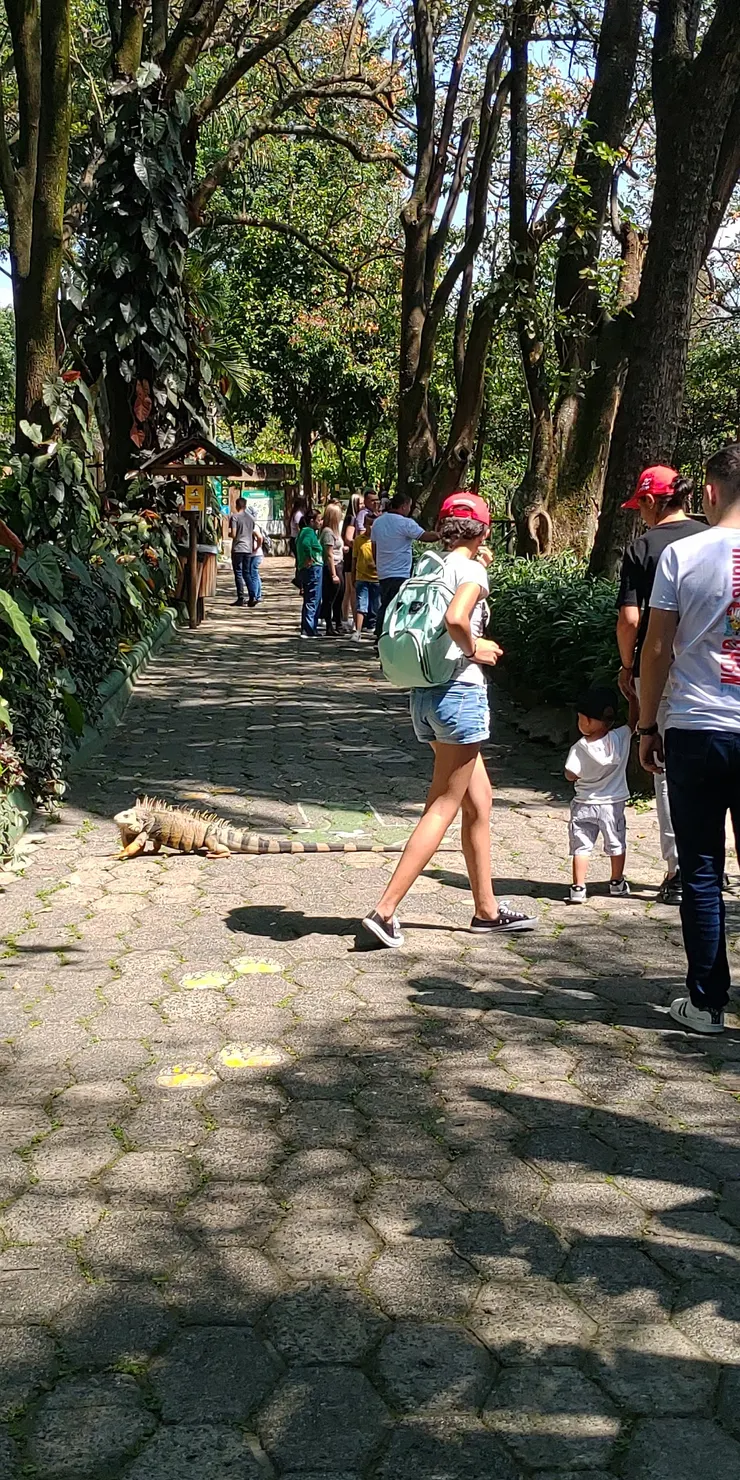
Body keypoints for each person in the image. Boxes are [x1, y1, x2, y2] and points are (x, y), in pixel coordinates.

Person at [362, 491, 538, 948]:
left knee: (479, 801)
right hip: (458, 694)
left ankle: (487, 910)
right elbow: (457, 618)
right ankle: (385, 910)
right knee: (443, 803)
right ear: (483, 530)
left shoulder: (431, 563)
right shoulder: (472, 569)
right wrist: (475, 647)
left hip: (424, 694)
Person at [639, 441, 740, 1034]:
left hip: (695, 726)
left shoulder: (682, 554)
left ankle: (706, 1004)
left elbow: (655, 647)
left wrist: (647, 723)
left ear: (706, 492)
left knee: (702, 869)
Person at [616, 465, 705, 904]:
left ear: (651, 501)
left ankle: (681, 870)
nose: (641, 515)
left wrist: (626, 666)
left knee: (665, 766)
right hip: (717, 666)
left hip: (664, 668)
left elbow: (631, 619)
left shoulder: (643, 548)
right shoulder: (712, 539)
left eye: (641, 507)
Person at [564, 687, 632, 904]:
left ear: (585, 721)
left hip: (584, 803)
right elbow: (635, 721)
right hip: (613, 804)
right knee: (616, 843)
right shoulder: (621, 737)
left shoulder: (580, 748)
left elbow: (570, 775)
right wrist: (633, 696)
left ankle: (578, 887)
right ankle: (616, 882)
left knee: (581, 846)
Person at [371, 493, 438, 637]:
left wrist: (378, 565)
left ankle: (379, 635)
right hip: (400, 572)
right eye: (408, 506)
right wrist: (441, 534)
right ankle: (389, 636)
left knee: (385, 603)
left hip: (384, 572)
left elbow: (374, 547)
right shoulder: (405, 523)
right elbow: (425, 536)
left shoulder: (378, 522)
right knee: (397, 606)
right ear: (403, 506)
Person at [351, 511, 380, 640]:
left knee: (377, 606)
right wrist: (353, 575)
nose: (371, 527)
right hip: (361, 577)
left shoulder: (380, 540)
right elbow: (354, 559)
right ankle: (357, 631)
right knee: (361, 605)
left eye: (374, 525)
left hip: (376, 578)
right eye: (369, 524)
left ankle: (376, 630)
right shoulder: (359, 540)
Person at [295, 510, 324, 637]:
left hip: (305, 568)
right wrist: (309, 557)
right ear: (312, 521)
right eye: (319, 520)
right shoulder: (309, 532)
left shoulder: (302, 532)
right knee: (313, 598)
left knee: (310, 597)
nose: (320, 522)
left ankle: (309, 627)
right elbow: (307, 545)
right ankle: (309, 628)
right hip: (313, 568)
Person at [229, 497, 260, 607]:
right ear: (245, 506)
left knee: (238, 572)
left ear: (237, 506)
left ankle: (240, 598)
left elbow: (233, 534)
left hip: (238, 548)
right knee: (247, 573)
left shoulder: (234, 517)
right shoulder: (251, 518)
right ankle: (253, 596)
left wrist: (229, 534)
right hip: (248, 548)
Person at [320, 502, 345, 636]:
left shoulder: (335, 531)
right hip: (333, 566)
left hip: (339, 563)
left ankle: (338, 624)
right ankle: (330, 625)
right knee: (331, 597)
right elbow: (329, 554)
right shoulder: (328, 532)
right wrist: (333, 574)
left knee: (340, 595)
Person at [342, 493, 363, 630]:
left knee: (349, 591)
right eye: (360, 503)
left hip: (353, 556)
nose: (362, 506)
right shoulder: (352, 518)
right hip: (351, 558)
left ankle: (344, 618)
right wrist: (361, 545)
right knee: (351, 590)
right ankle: (352, 620)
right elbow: (348, 539)